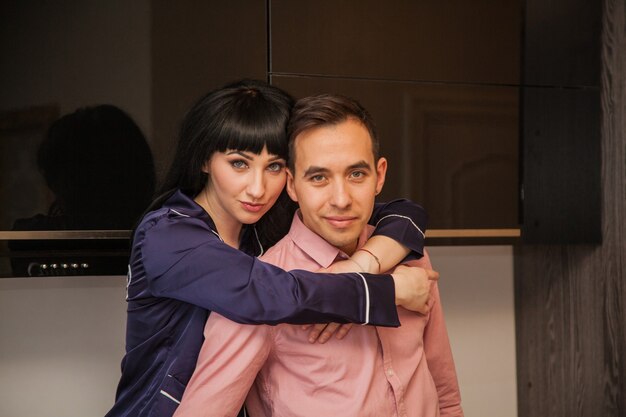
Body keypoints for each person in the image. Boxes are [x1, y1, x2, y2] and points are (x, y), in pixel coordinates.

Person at [106, 80, 437, 417]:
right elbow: (269, 293)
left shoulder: (262, 226)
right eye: (239, 163)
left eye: (275, 166)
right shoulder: (168, 234)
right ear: (205, 160)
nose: (257, 188)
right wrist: (389, 289)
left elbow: (399, 212)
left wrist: (366, 262)